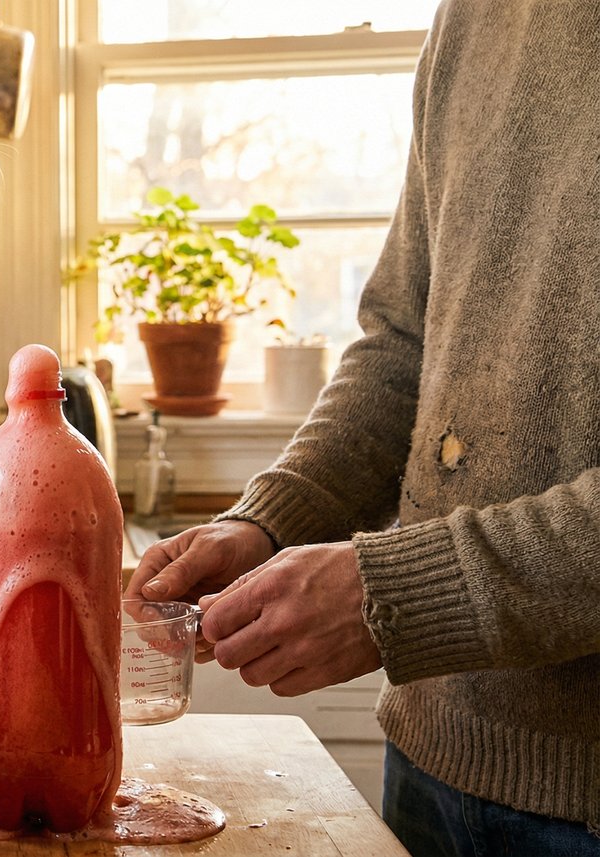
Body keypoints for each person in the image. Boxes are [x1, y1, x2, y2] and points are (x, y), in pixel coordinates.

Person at [126, 2, 600, 854]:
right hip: (429, 760)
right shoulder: (473, 19)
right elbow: (403, 344)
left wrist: (393, 597)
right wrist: (268, 522)